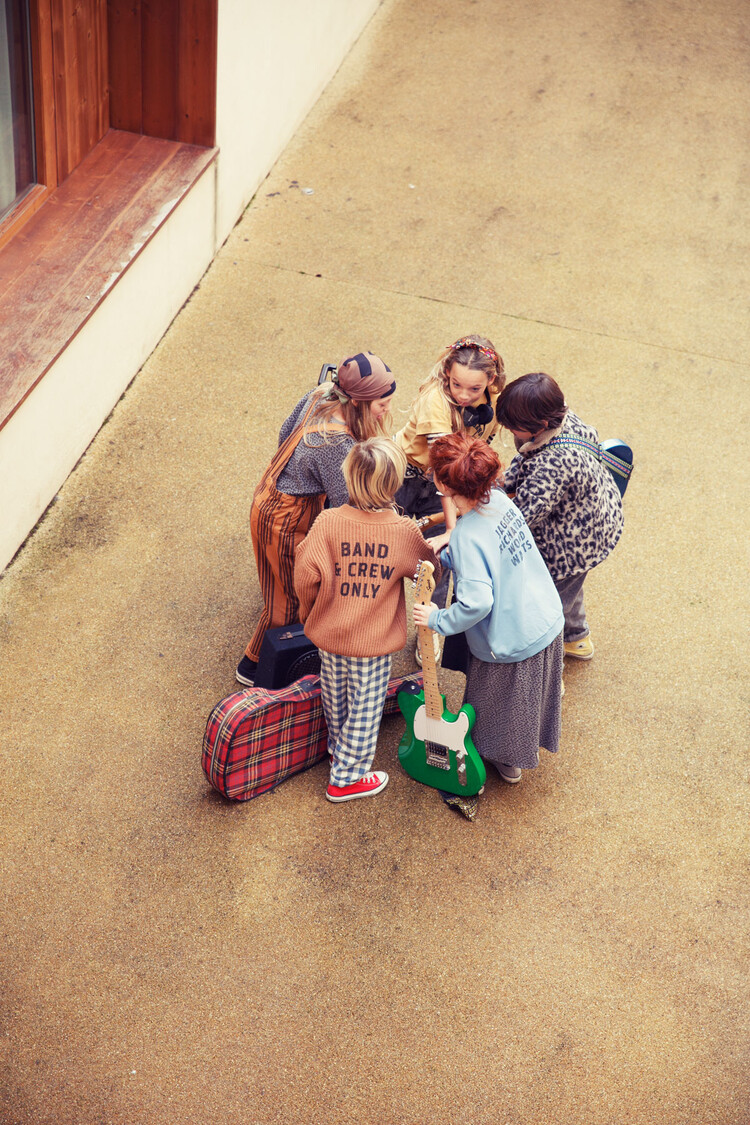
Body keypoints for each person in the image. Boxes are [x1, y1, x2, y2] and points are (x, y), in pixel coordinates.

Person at [236, 352, 397, 686]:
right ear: (358, 402)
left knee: (281, 586)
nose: (387, 410)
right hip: (288, 517)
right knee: (290, 601)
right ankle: (254, 667)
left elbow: (284, 432)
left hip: (271, 493)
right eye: (382, 405)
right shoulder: (337, 443)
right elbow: (345, 503)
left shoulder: (323, 391)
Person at [294, 438, 440, 803]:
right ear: (393, 485)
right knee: (365, 705)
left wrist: (308, 612)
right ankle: (346, 777)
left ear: (348, 478)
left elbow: (304, 576)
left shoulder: (327, 522)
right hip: (372, 643)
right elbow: (428, 570)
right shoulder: (403, 531)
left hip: (329, 632)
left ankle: (336, 748)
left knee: (336, 693)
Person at [412, 432, 563, 784]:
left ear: (441, 482)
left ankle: (505, 759)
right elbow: (494, 552)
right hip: (543, 616)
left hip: (510, 638)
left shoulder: (466, 535)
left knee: (499, 706)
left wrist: (437, 619)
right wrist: (452, 554)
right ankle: (519, 750)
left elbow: (478, 602)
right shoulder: (499, 500)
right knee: (529, 699)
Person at [495, 372, 624, 661]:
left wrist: (492, 500)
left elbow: (523, 515)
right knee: (570, 585)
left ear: (539, 425)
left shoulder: (555, 464)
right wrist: (506, 481)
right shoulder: (561, 416)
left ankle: (552, 668)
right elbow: (526, 457)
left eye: (515, 428)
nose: (512, 434)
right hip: (593, 521)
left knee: (550, 604)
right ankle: (577, 639)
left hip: (571, 544)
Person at [393, 334, 505, 662]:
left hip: (447, 481)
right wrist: (454, 527)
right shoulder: (435, 401)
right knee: (385, 543)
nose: (464, 395)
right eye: (457, 385)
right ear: (447, 373)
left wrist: (449, 537)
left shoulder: (496, 401)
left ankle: (429, 629)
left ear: (491, 380)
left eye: (474, 389)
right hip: (407, 474)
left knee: (439, 559)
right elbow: (443, 469)